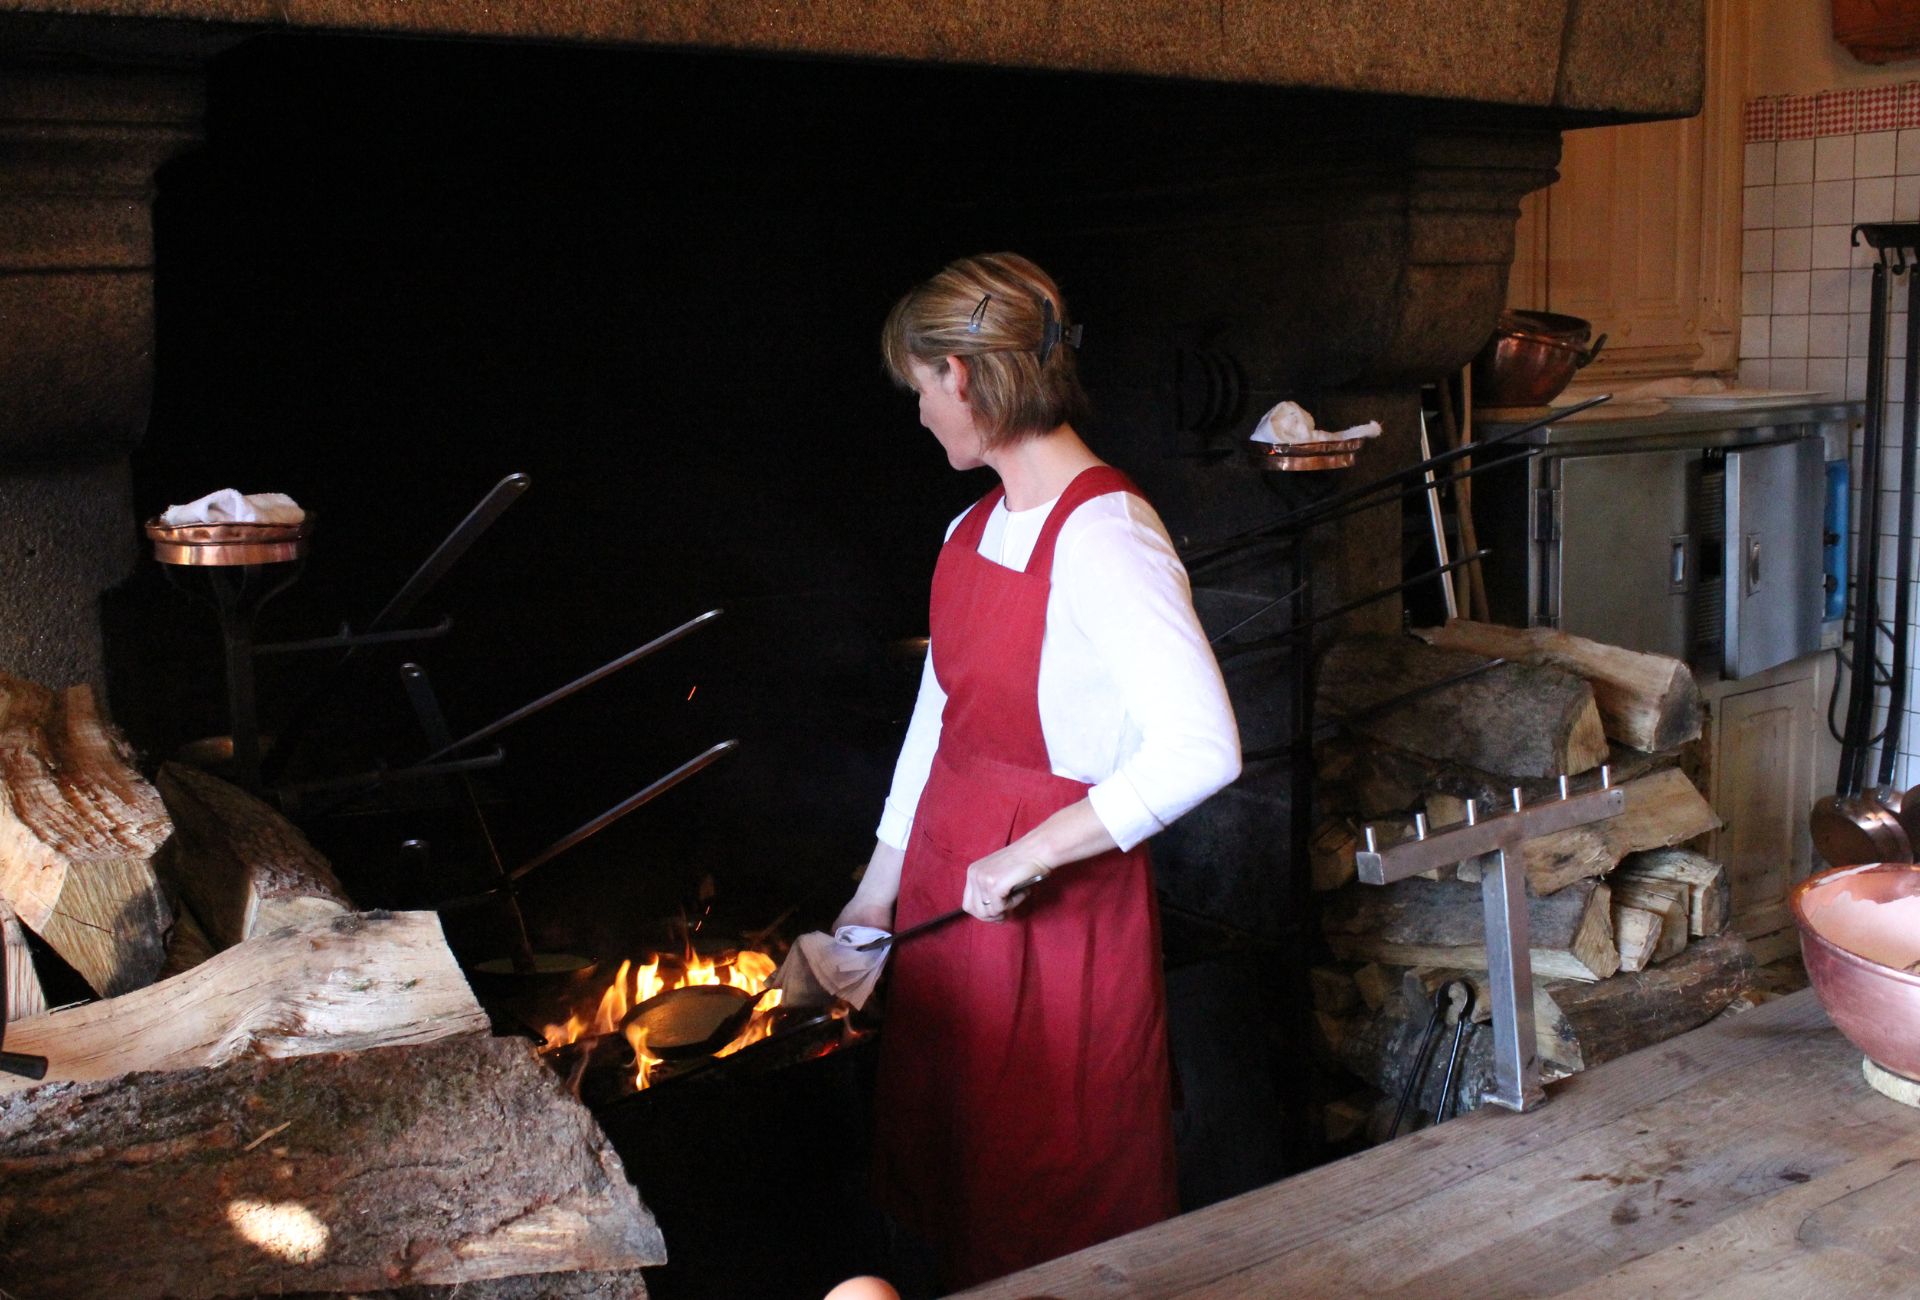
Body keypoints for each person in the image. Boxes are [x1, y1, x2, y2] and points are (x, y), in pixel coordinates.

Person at [834, 252, 1241, 1289]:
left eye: (920, 388)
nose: (920, 413)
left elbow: (1203, 745)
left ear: (961, 376)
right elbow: (938, 724)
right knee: (956, 1190)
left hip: (1050, 929)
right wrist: (873, 900)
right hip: (949, 900)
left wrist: (1034, 852)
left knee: (1052, 1207)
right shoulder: (968, 529)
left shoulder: (1108, 536)